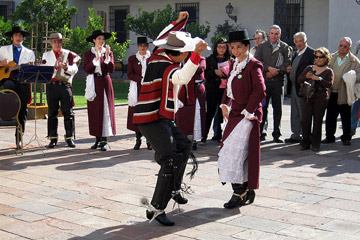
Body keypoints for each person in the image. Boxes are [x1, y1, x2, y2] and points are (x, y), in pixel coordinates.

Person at [133, 12, 208, 226]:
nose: (186, 57)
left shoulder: (159, 52)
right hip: (151, 119)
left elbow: (164, 34)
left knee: (183, 146)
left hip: (160, 116)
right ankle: (156, 208)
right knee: (170, 159)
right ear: (179, 54)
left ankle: (173, 187)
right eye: (184, 54)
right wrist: (196, 54)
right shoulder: (168, 67)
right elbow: (184, 78)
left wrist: (180, 21)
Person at [218, 29, 266, 209]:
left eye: (239, 47)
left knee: (234, 153)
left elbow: (260, 90)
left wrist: (248, 111)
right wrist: (224, 104)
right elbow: (228, 88)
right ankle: (244, 189)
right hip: (235, 113)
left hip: (248, 115)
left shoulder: (254, 65)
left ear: (247, 46)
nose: (236, 51)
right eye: (233, 47)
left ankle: (239, 192)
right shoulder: (234, 64)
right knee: (231, 152)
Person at [42, 33, 81, 148]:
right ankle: (53, 138)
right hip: (52, 86)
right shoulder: (46, 55)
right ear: (51, 43)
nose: (57, 44)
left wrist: (66, 68)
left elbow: (75, 69)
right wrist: (54, 67)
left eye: (59, 42)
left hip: (64, 85)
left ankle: (69, 137)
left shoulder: (69, 54)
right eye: (54, 42)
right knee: (52, 112)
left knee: (68, 112)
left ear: (62, 43)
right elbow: (44, 71)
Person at [0, 26, 35, 149]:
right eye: (16, 35)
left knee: (23, 109)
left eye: (21, 36)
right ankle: (9, 109)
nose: (19, 38)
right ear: (12, 37)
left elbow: (32, 71)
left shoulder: (30, 53)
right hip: (8, 81)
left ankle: (19, 139)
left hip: (23, 81)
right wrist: (1, 64)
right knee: (9, 86)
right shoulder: (3, 50)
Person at [255, 25, 291, 143]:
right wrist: (268, 69)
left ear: (279, 35)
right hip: (264, 82)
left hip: (278, 82)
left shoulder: (285, 48)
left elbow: (287, 65)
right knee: (262, 108)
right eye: (272, 33)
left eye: (276, 34)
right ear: (268, 34)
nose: (274, 36)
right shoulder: (262, 46)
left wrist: (276, 72)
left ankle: (277, 134)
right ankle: (260, 132)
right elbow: (257, 61)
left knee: (278, 109)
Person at [322, 37, 360, 146]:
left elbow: (359, 75)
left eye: (345, 46)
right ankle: (329, 136)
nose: (342, 48)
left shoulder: (354, 61)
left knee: (346, 116)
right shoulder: (332, 57)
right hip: (332, 91)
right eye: (340, 45)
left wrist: (351, 77)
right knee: (330, 116)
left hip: (345, 93)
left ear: (349, 48)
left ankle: (346, 138)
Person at [83, 30, 116, 151]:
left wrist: (107, 57)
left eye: (103, 39)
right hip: (94, 83)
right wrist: (95, 59)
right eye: (99, 39)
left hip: (105, 82)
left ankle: (104, 140)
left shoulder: (108, 52)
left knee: (106, 109)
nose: (101, 41)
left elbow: (111, 69)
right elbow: (87, 68)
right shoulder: (89, 53)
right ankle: (97, 138)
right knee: (95, 111)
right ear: (94, 40)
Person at [298, 47, 334, 152]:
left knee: (317, 122)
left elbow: (329, 84)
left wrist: (319, 79)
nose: (318, 59)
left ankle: (315, 144)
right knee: (305, 121)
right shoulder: (309, 68)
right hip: (308, 97)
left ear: (326, 58)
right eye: (316, 57)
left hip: (320, 99)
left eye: (320, 57)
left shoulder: (328, 71)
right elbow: (299, 79)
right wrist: (306, 76)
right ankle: (305, 143)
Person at [285, 32, 314, 144]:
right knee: (295, 112)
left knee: (304, 113)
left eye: (300, 41)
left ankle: (306, 136)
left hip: (304, 88)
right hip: (294, 87)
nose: (298, 43)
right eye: (296, 41)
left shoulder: (311, 53)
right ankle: (296, 135)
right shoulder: (296, 53)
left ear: (305, 41)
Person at [203, 38, 231, 143]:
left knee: (222, 113)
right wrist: (214, 71)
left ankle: (219, 135)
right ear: (216, 47)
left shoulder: (230, 59)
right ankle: (204, 135)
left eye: (224, 47)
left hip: (224, 90)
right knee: (209, 113)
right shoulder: (209, 58)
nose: (221, 49)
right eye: (219, 47)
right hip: (212, 89)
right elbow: (204, 74)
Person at [176, 55, 206, 150]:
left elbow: (199, 69)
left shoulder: (201, 59)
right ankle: (183, 137)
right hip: (184, 90)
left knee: (196, 115)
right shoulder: (180, 58)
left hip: (196, 90)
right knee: (183, 115)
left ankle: (194, 139)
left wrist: (189, 63)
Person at [127, 36, 152, 150]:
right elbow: (130, 74)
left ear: (148, 46)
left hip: (149, 89)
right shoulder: (132, 58)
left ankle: (149, 140)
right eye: (141, 45)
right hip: (137, 89)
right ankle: (138, 139)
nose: (143, 47)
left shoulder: (151, 58)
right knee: (137, 114)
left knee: (148, 114)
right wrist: (141, 79)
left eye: (145, 45)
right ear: (137, 46)